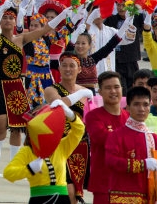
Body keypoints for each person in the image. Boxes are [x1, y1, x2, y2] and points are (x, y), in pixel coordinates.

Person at [0, 3, 72, 173]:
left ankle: (14, 162)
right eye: (4, 18)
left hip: (16, 85)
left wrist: (63, 15)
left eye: (11, 18)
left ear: (15, 21)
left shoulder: (21, 39)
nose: (8, 20)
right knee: (2, 123)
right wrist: (1, 9)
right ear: (1, 21)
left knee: (17, 128)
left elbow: (45, 29)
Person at [3, 98, 85, 204]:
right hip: (39, 199)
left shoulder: (61, 147)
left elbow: (79, 130)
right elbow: (8, 173)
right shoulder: (27, 151)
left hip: (62, 199)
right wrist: (29, 169)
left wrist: (70, 114)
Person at [43, 54, 95, 203]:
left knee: (75, 193)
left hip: (80, 146)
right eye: (64, 65)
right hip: (59, 145)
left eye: (72, 66)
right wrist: (81, 94)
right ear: (59, 68)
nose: (68, 69)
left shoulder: (87, 92)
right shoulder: (51, 89)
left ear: (79, 69)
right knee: (67, 189)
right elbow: (58, 105)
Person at [105, 86, 157, 203]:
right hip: (123, 197)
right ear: (128, 107)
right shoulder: (116, 135)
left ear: (150, 107)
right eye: (136, 104)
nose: (141, 109)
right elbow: (111, 161)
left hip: (149, 197)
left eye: (145, 105)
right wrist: (143, 164)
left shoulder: (154, 138)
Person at [85, 71, 129, 204]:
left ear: (122, 89)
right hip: (104, 183)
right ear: (100, 92)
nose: (113, 91)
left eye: (116, 87)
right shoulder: (93, 116)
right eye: (108, 88)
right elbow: (103, 139)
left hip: (128, 183)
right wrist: (129, 139)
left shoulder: (129, 117)